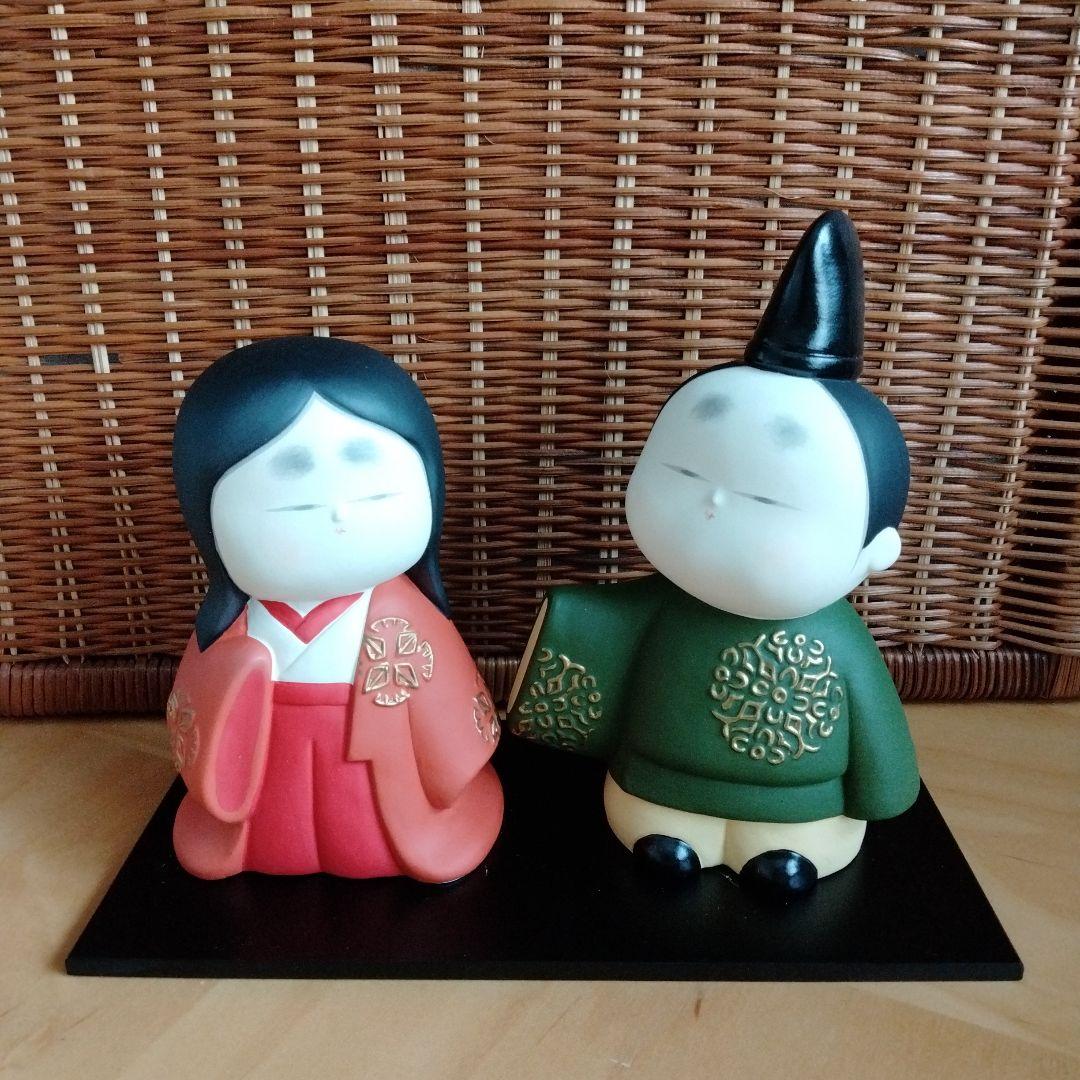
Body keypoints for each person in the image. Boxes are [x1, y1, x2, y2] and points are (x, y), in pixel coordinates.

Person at [507, 211, 919, 899]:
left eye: (767, 501)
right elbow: (598, 645)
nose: (714, 506)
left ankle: (784, 848)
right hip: (658, 781)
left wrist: (885, 789)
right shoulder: (662, 608)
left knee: (788, 852)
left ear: (876, 550)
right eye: (687, 475)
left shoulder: (835, 638)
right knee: (660, 835)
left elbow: (875, 722)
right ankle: (673, 836)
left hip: (804, 802)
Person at [167, 336, 503, 881]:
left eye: (374, 493)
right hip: (269, 756)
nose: (339, 512)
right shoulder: (236, 627)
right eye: (295, 503)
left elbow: (445, 719)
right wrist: (234, 676)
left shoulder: (404, 615)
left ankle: (383, 845)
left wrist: (449, 770)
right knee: (276, 831)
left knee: (370, 834)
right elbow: (202, 706)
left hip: (384, 766)